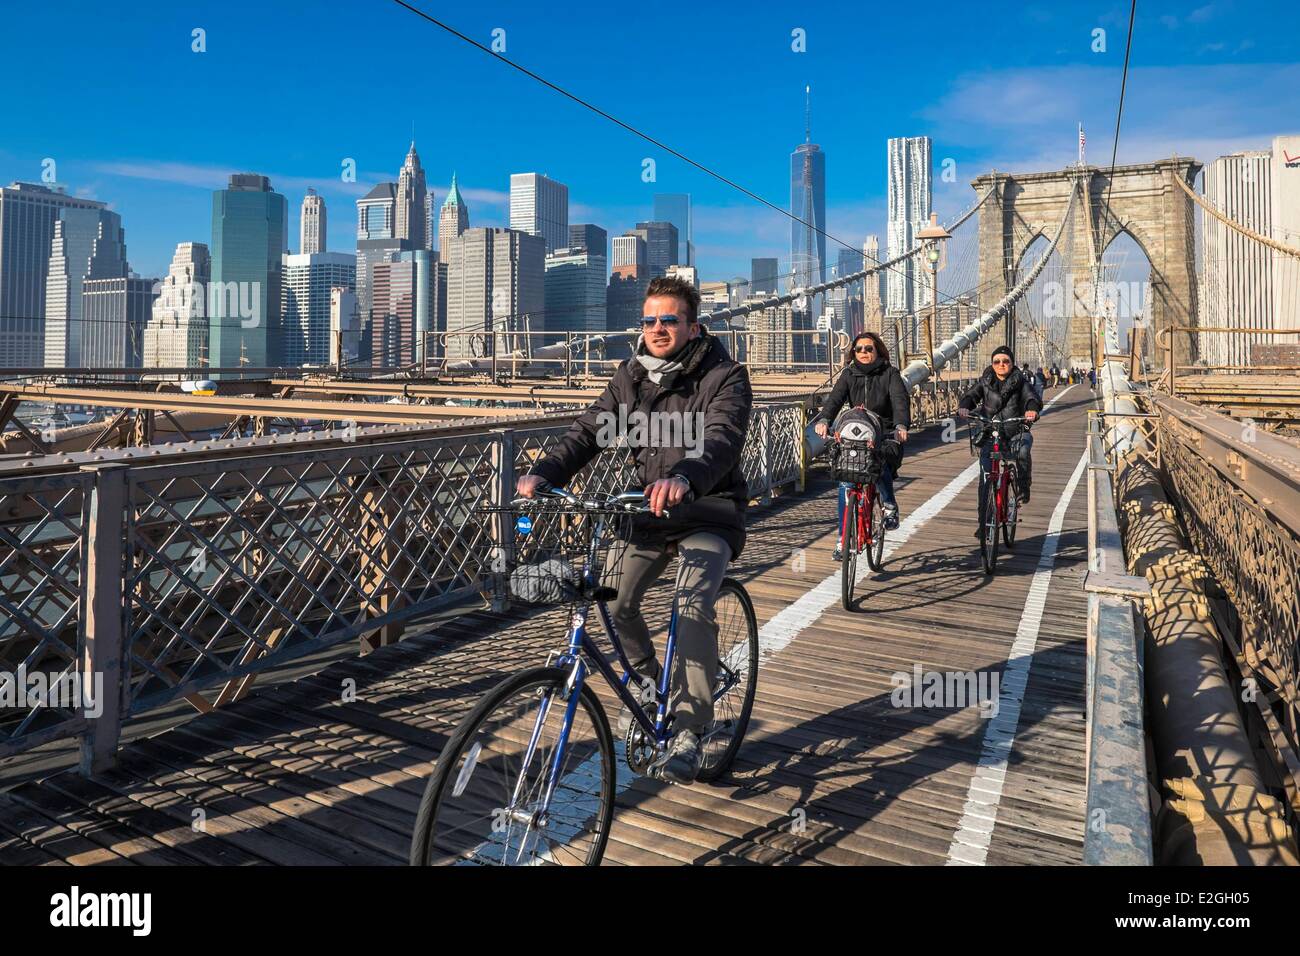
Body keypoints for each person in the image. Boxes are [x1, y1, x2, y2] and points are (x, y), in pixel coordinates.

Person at [516, 274, 752, 785]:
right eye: (649, 320)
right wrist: (546, 473)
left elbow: (723, 438)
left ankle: (692, 727)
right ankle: (646, 680)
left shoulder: (725, 375)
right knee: (613, 599)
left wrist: (685, 477)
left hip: (709, 511)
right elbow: (588, 432)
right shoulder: (631, 376)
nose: (658, 328)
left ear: (692, 327)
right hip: (647, 513)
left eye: (670, 320)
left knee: (689, 606)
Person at [812, 331, 911, 559]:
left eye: (869, 348)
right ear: (853, 352)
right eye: (859, 349)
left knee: (880, 465)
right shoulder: (849, 374)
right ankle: (842, 540)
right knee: (845, 482)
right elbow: (835, 400)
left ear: (878, 351)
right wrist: (825, 420)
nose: (864, 353)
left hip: (884, 433)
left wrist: (900, 426)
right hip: (854, 435)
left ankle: (888, 505)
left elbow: (899, 401)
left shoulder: (890, 374)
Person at [957, 345, 1041, 536]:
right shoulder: (985, 381)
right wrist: (964, 406)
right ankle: (984, 524)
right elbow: (972, 395)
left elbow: (1031, 397)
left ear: (1012, 363)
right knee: (986, 479)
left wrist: (1032, 409)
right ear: (992, 364)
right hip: (990, 430)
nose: (1001, 364)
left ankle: (1023, 487)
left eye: (1006, 361)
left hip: (1015, 429)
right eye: (997, 361)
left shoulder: (1021, 381)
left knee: (1022, 451)